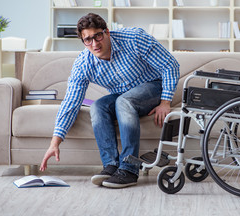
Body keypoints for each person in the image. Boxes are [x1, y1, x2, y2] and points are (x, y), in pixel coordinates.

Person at [40, 13, 180, 188]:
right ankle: (111, 166)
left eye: (98, 36)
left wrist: (165, 101)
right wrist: (55, 142)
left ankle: (129, 169)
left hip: (153, 87)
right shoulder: (84, 64)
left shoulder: (134, 38)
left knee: (123, 102)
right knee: (98, 106)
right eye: (88, 40)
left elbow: (170, 65)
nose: (95, 44)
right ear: (83, 41)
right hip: (124, 95)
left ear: (106, 31)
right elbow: (71, 102)